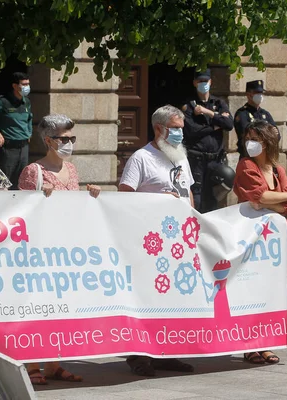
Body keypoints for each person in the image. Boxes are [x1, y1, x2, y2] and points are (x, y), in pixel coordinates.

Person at [18, 114, 100, 385]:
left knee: (57, 308)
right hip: (38, 250)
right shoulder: (33, 171)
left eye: (71, 138)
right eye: (63, 138)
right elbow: (21, 211)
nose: (68, 143)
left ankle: (53, 363)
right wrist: (41, 200)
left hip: (65, 248)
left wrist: (92, 197)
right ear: (48, 140)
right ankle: (31, 364)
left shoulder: (72, 170)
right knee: (35, 307)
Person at [118, 105, 195, 377]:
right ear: (159, 128)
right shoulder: (141, 158)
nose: (179, 134)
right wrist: (159, 202)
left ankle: (167, 351)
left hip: (179, 242)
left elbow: (188, 192)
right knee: (146, 298)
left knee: (174, 298)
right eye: (175, 129)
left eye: (181, 129)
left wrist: (193, 224)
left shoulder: (180, 157)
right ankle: (139, 356)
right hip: (149, 244)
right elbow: (124, 196)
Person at [233, 120, 287, 365]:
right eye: (247, 138)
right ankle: (250, 345)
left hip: (277, 243)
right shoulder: (246, 165)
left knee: (272, 292)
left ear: (268, 143)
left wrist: (278, 200)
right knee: (252, 290)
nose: (249, 143)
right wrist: (285, 196)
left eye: (255, 139)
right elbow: (258, 195)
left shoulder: (277, 169)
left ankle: (266, 343)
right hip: (252, 238)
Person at [182, 69, 234, 213]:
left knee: (213, 199)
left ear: (210, 82)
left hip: (215, 160)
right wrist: (216, 125)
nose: (203, 84)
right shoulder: (189, 105)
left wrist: (208, 112)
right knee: (196, 199)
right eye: (200, 81)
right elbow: (192, 131)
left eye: (206, 81)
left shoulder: (218, 103)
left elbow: (229, 124)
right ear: (194, 83)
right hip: (196, 160)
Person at [0, 72, 33, 189]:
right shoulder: (3, 102)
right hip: (8, 147)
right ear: (14, 86)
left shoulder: (26, 101)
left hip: (23, 147)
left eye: (28, 84)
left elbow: (29, 118)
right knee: (4, 181)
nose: (26, 87)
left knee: (21, 180)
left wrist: (29, 132)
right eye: (23, 84)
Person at [234, 80, 279, 158]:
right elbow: (248, 134)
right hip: (249, 156)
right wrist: (268, 132)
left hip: (265, 157)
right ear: (248, 94)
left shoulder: (265, 114)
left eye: (261, 93)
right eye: (257, 93)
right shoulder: (242, 113)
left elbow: (277, 135)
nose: (260, 95)